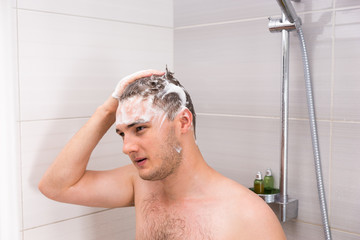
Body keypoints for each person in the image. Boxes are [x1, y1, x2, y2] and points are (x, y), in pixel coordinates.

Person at [39, 68, 286, 239]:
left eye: (139, 128)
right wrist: (106, 110)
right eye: (122, 133)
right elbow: (56, 187)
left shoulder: (248, 215)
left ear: (183, 122)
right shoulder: (141, 184)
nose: (127, 147)